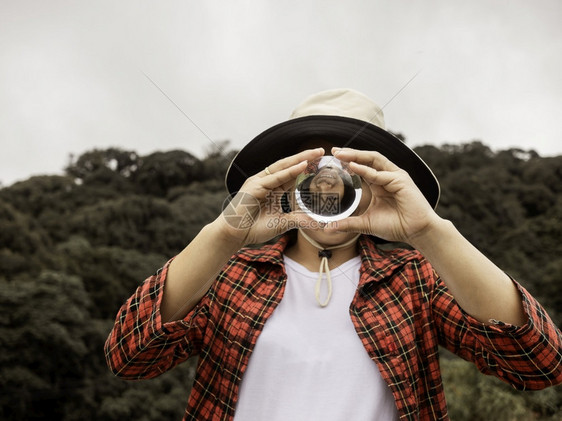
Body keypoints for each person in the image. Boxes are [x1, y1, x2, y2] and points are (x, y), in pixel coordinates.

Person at [105, 89, 562, 420]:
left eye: (348, 172)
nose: (329, 184)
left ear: (375, 182)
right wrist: (226, 233)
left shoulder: (414, 277)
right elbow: (130, 356)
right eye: (313, 172)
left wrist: (429, 232)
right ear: (286, 178)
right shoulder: (228, 273)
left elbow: (538, 362)